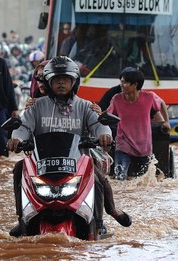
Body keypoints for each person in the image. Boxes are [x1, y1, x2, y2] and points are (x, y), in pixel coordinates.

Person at [7, 56, 131, 236]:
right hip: (42, 164)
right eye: (56, 80)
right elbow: (24, 126)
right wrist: (16, 138)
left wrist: (104, 135)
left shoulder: (86, 106)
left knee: (99, 178)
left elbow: (99, 125)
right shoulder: (36, 106)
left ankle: (101, 219)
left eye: (65, 79)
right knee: (19, 168)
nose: (61, 84)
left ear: (74, 82)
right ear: (48, 82)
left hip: (77, 163)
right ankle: (22, 218)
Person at [106, 68, 170, 180]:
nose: (121, 85)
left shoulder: (149, 97)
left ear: (135, 85)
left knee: (142, 182)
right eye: (121, 82)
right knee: (120, 178)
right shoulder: (116, 99)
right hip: (123, 145)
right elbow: (107, 115)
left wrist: (166, 122)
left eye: (125, 83)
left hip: (144, 148)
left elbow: (162, 103)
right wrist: (98, 113)